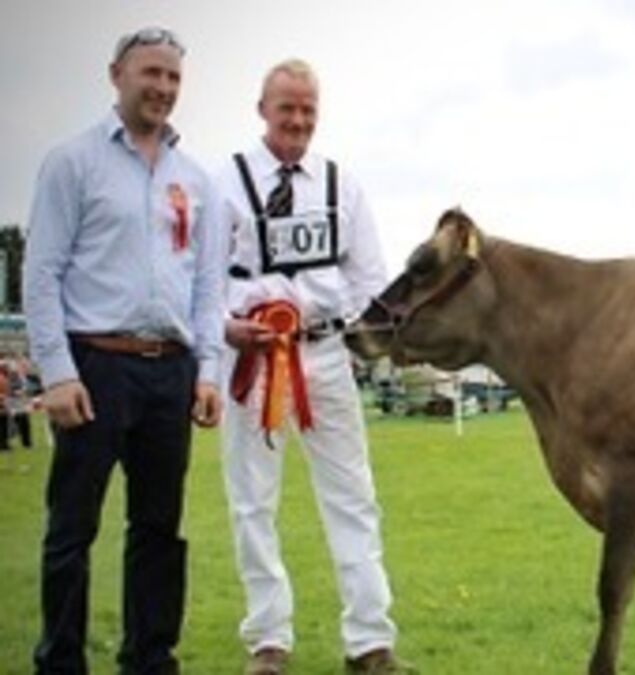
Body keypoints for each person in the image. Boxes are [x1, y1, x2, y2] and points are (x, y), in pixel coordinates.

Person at [22, 26, 224, 674]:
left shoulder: (197, 181)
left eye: (173, 77)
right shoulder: (72, 162)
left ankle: (150, 659)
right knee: (72, 528)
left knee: (160, 529)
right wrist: (57, 372)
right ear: (117, 76)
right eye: (150, 73)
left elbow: (208, 287)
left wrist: (208, 373)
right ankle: (61, 661)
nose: (163, 87)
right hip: (95, 366)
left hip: (170, 369)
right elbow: (41, 272)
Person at [215, 59, 406, 675]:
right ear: (262, 110)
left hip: (324, 353)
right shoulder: (225, 183)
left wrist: (349, 336)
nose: (298, 120)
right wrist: (224, 326)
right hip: (250, 357)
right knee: (252, 500)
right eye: (287, 108)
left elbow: (369, 278)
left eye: (308, 110)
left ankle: (369, 642)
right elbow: (200, 278)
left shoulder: (340, 185)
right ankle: (267, 640)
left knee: (353, 496)